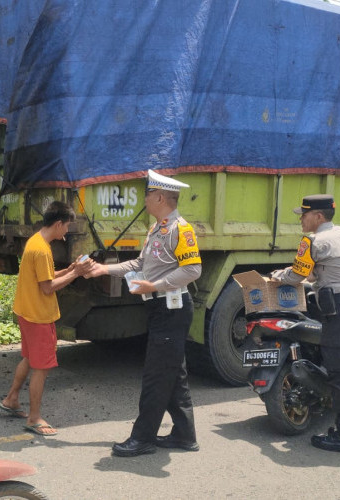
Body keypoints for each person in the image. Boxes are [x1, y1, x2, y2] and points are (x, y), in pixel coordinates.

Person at [86, 170, 202, 457]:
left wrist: (156, 285)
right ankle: (185, 435)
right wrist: (105, 269)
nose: (145, 199)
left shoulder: (181, 229)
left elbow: (192, 270)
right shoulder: (157, 228)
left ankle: (143, 438)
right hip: (159, 308)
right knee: (173, 372)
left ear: (160, 197)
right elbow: (140, 263)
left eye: (148, 194)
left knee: (156, 375)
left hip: (171, 309)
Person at [271, 194, 340, 455]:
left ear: (318, 216)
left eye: (304, 215)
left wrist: (278, 276)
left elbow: (297, 274)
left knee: (339, 373)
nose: (301, 220)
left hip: (339, 309)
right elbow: (326, 269)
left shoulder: (313, 240)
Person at [0, 201, 92, 436]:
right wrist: (77, 274)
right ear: (58, 223)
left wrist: (71, 269)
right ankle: (34, 418)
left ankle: (11, 399)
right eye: (67, 226)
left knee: (30, 359)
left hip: (27, 312)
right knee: (42, 368)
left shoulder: (36, 241)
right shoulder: (42, 249)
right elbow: (48, 287)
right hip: (39, 316)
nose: (67, 231)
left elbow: (46, 276)